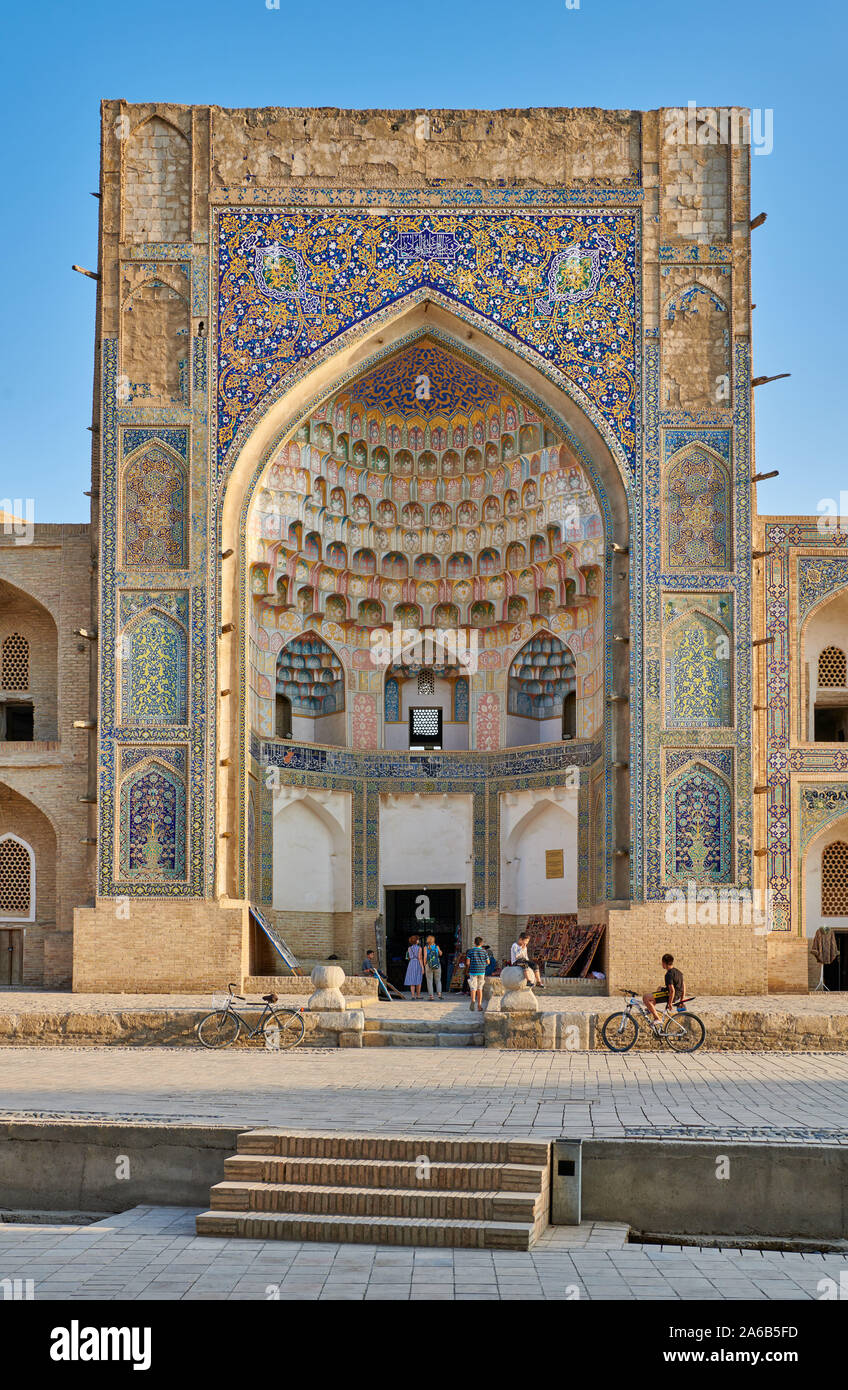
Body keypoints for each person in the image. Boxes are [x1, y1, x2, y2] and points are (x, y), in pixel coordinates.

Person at [643, 953, 686, 1023]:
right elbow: (683, 986)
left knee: (645, 997)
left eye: (662, 963)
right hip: (677, 994)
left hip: (670, 995)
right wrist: (681, 1000)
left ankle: (657, 1018)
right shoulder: (679, 972)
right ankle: (651, 1008)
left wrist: (670, 1003)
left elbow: (672, 991)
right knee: (659, 988)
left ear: (664, 963)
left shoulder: (669, 974)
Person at [465, 936, 489, 1012]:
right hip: (481, 971)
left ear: (474, 943)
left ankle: (473, 1000)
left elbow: (467, 963)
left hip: (473, 971)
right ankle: (479, 1005)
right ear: (481, 943)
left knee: (473, 988)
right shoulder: (484, 951)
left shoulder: (470, 951)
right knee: (480, 988)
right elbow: (488, 962)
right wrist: (483, 965)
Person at [404, 934, 424, 998]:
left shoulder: (409, 948)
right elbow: (420, 958)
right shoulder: (419, 948)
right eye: (418, 940)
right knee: (418, 980)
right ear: (416, 941)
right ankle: (418, 995)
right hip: (417, 963)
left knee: (412, 980)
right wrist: (422, 967)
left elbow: (409, 957)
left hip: (411, 964)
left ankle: (412, 995)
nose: (419, 941)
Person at [423, 934, 443, 999]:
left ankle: (431, 996)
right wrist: (438, 949)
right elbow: (440, 954)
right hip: (437, 965)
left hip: (429, 965)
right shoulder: (436, 946)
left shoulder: (426, 947)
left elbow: (425, 957)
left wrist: (424, 964)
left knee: (429, 980)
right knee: (438, 980)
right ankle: (439, 994)